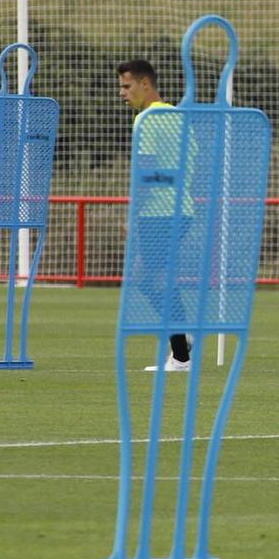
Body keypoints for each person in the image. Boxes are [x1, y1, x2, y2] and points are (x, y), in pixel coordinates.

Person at [117, 59, 190, 372]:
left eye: (126, 86)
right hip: (182, 210)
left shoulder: (146, 119)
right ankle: (184, 335)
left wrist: (134, 214)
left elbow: (146, 170)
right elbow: (187, 163)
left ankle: (182, 354)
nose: (122, 93)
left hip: (157, 214)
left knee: (154, 278)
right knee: (148, 276)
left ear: (145, 84)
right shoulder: (177, 116)